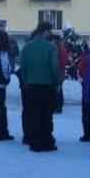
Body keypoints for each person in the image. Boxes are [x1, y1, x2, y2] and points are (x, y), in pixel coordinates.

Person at [18, 22, 63, 151]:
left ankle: (35, 141)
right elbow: (54, 67)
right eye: (49, 31)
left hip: (31, 85)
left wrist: (26, 81)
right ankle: (47, 141)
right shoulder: (50, 48)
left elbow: (23, 68)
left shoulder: (27, 47)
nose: (50, 34)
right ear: (44, 31)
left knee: (34, 113)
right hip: (47, 85)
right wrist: (58, 81)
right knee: (46, 114)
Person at [76, 46, 90, 142]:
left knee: (86, 111)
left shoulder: (86, 56)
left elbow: (81, 70)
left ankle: (88, 134)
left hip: (87, 87)